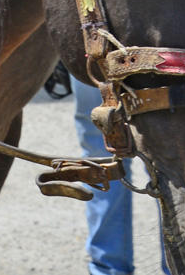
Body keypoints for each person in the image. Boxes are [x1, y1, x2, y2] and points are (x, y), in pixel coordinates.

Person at [73, 77, 169, 275]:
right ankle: (179, 266)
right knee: (166, 161)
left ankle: (108, 268)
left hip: (90, 59)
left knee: (101, 160)